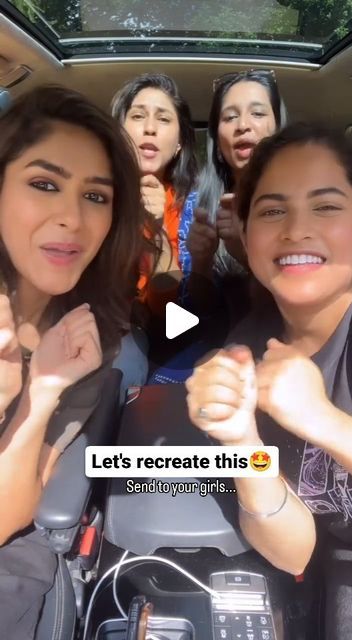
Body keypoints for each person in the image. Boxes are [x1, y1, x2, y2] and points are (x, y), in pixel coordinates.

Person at [186, 123, 352, 639]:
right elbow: (295, 550)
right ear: (244, 230)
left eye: (326, 206)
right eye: (272, 210)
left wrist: (324, 422)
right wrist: (242, 442)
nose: (295, 229)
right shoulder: (249, 345)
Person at [0, 84, 144, 639]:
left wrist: (39, 394)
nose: (73, 219)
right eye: (44, 185)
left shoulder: (89, 339)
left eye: (96, 197)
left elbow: (10, 512)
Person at [184, 69, 285, 308]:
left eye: (258, 113)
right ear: (217, 142)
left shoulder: (301, 201)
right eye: (229, 117)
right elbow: (194, 312)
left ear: (278, 128)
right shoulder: (196, 206)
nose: (242, 125)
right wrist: (201, 260)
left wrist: (246, 254)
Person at [111, 72, 198, 309]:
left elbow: (173, 320)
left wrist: (157, 231)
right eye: (138, 116)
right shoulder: (97, 197)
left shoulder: (193, 210)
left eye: (163, 119)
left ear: (180, 142)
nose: (150, 128)